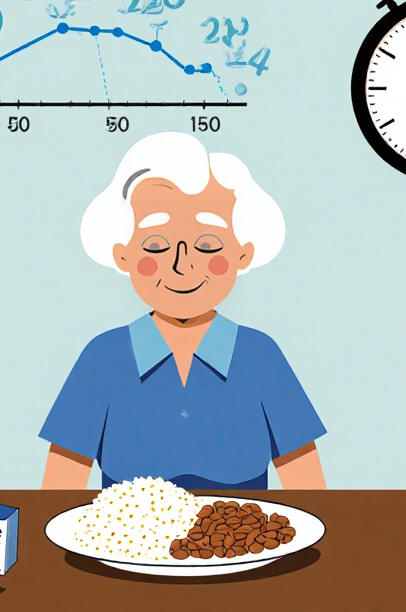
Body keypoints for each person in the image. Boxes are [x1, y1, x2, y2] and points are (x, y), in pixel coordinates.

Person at [39, 132, 327, 490]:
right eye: (156, 245)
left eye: (207, 245)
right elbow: (60, 486)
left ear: (243, 253)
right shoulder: (103, 357)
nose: (181, 265)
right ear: (123, 254)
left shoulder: (260, 355)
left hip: (245, 541)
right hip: (126, 542)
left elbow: (307, 484)